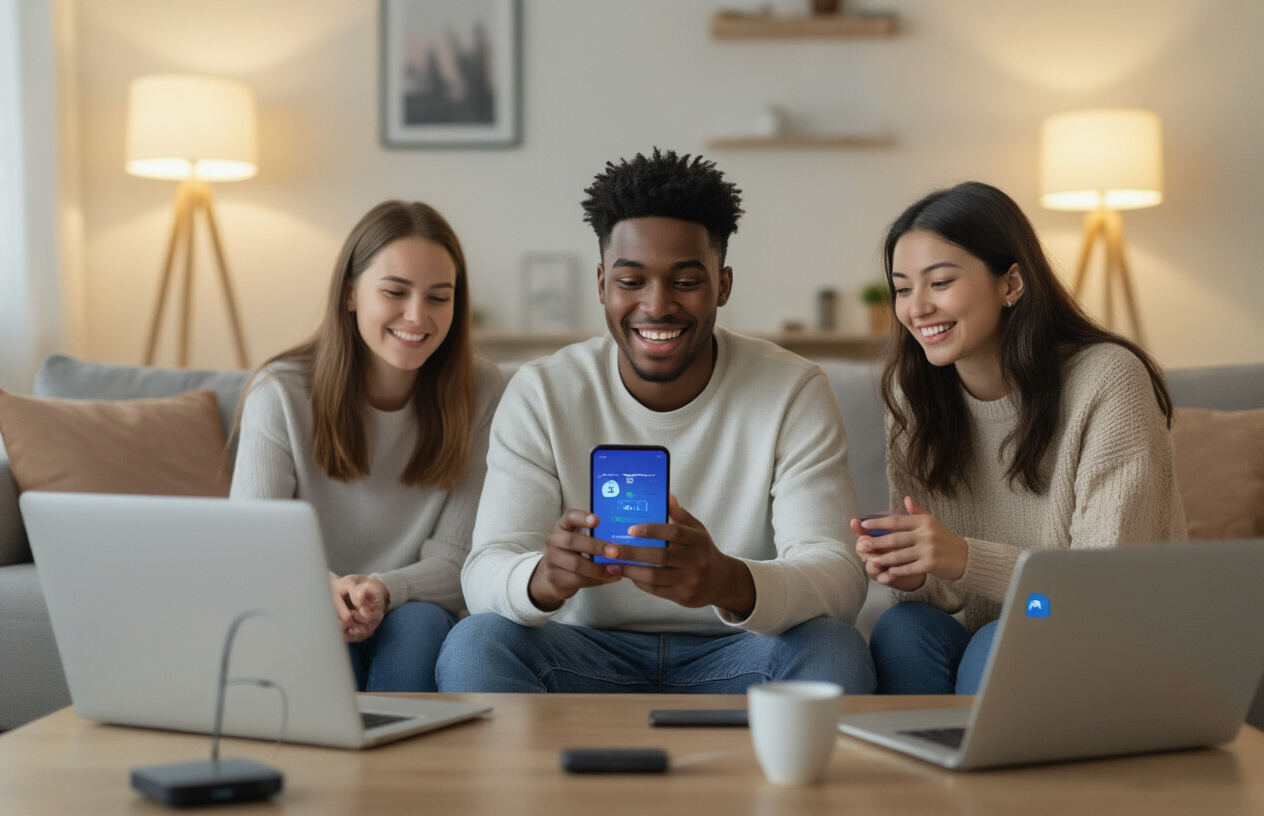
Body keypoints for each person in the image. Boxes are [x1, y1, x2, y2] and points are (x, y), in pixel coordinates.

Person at [436, 149, 875, 694]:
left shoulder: (793, 390)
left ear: (724, 285)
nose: (657, 305)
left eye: (686, 281)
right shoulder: (543, 392)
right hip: (583, 655)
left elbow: (839, 572)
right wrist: (543, 579)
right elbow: (484, 571)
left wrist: (728, 581)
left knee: (836, 650)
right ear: (601, 284)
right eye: (632, 280)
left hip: (738, 654)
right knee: (474, 645)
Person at [855, 182, 1186, 695]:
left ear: (1012, 283)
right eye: (902, 288)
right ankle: (919, 772)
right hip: (1008, 624)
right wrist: (915, 570)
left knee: (1000, 639)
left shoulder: (1108, 380)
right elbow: (942, 595)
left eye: (939, 282)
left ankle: (985, 773)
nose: (916, 308)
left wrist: (961, 557)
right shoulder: (912, 389)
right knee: (902, 630)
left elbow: (1107, 589)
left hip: (1106, 630)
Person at [231, 200, 505, 693]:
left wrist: (381, 590)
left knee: (419, 627)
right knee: (326, 636)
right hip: (307, 600)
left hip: (415, 604)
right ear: (351, 294)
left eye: (439, 297)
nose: (417, 316)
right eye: (395, 292)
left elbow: (460, 560)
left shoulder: (482, 390)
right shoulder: (281, 392)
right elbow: (251, 545)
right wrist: (325, 589)